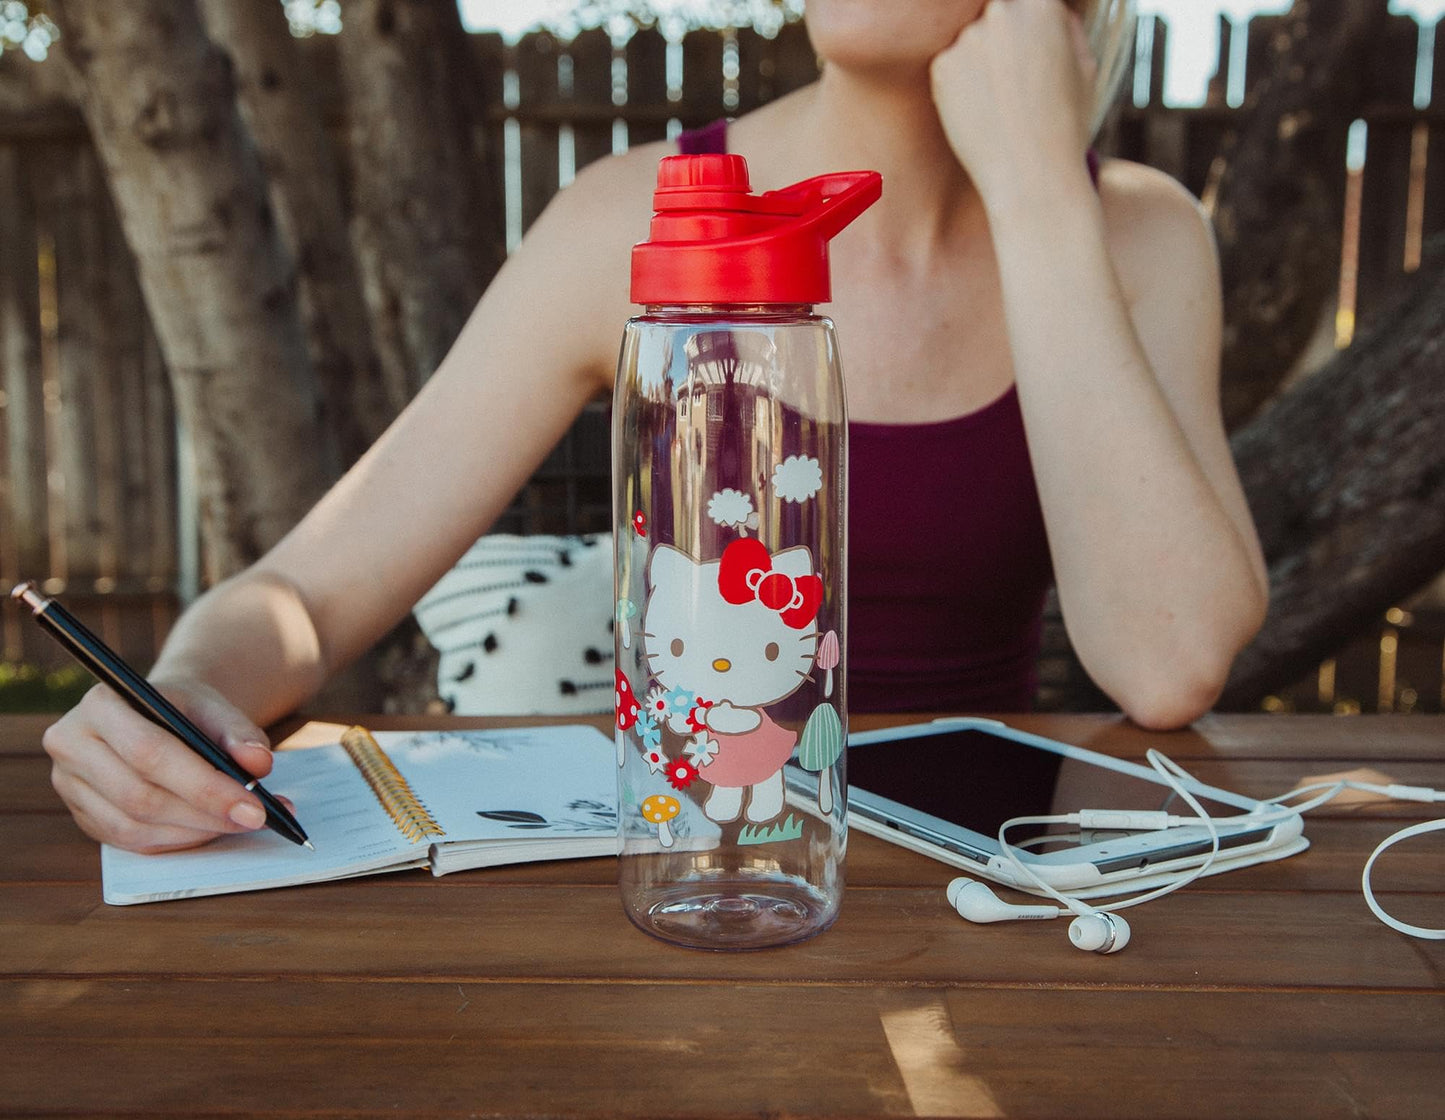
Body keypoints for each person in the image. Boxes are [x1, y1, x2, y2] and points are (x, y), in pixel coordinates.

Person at [41, 0, 1268, 854]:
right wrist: (186, 690)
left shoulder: (1139, 235)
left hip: (993, 882)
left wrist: (1044, 190)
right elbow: (308, 588)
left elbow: (1168, 662)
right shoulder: (619, 224)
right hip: (690, 867)